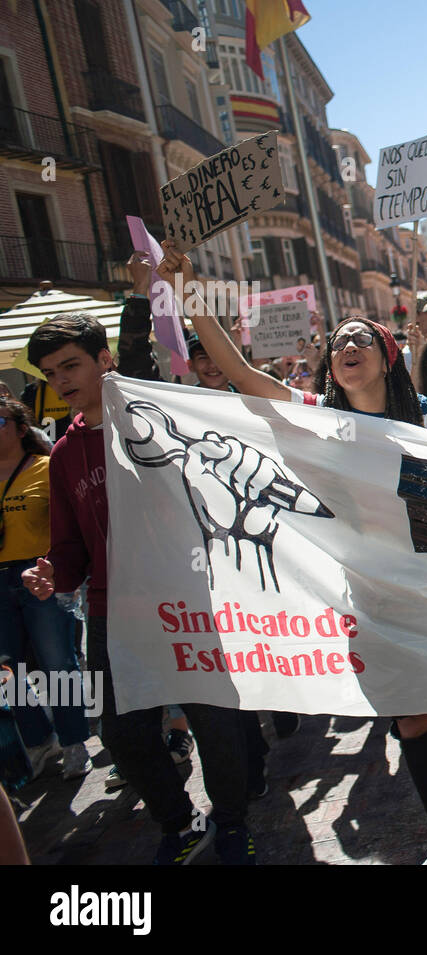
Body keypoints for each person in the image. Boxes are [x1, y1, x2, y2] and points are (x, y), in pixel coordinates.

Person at [159, 241, 427, 866]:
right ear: (331, 366)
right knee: (408, 720)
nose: (346, 347)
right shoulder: (316, 422)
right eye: (338, 343)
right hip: (371, 599)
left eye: (360, 339)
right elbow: (243, 376)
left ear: (386, 358)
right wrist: (190, 296)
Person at [22, 310, 257, 864]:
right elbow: (71, 550)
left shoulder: (158, 417)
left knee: (215, 722)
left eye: (71, 365)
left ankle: (232, 823)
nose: (61, 380)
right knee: (121, 734)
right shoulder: (62, 455)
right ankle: (178, 823)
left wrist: (140, 293)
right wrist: (54, 570)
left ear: (105, 361)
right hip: (110, 612)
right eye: (51, 373)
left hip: (187, 597)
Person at [0, 397, 91, 781]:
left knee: (58, 662)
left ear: (21, 428)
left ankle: (74, 742)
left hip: (41, 574)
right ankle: (39, 739)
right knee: (9, 668)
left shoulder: (46, 466)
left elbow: (68, 526)